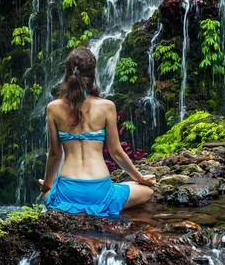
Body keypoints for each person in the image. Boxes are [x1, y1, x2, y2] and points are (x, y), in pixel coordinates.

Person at [38, 46, 156, 217]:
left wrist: (47, 185)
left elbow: (55, 154)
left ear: (67, 72)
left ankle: (59, 198)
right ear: (94, 72)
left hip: (68, 191)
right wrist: (140, 178)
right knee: (146, 192)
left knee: (50, 194)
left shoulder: (53, 108)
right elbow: (116, 153)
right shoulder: (107, 106)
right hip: (99, 190)